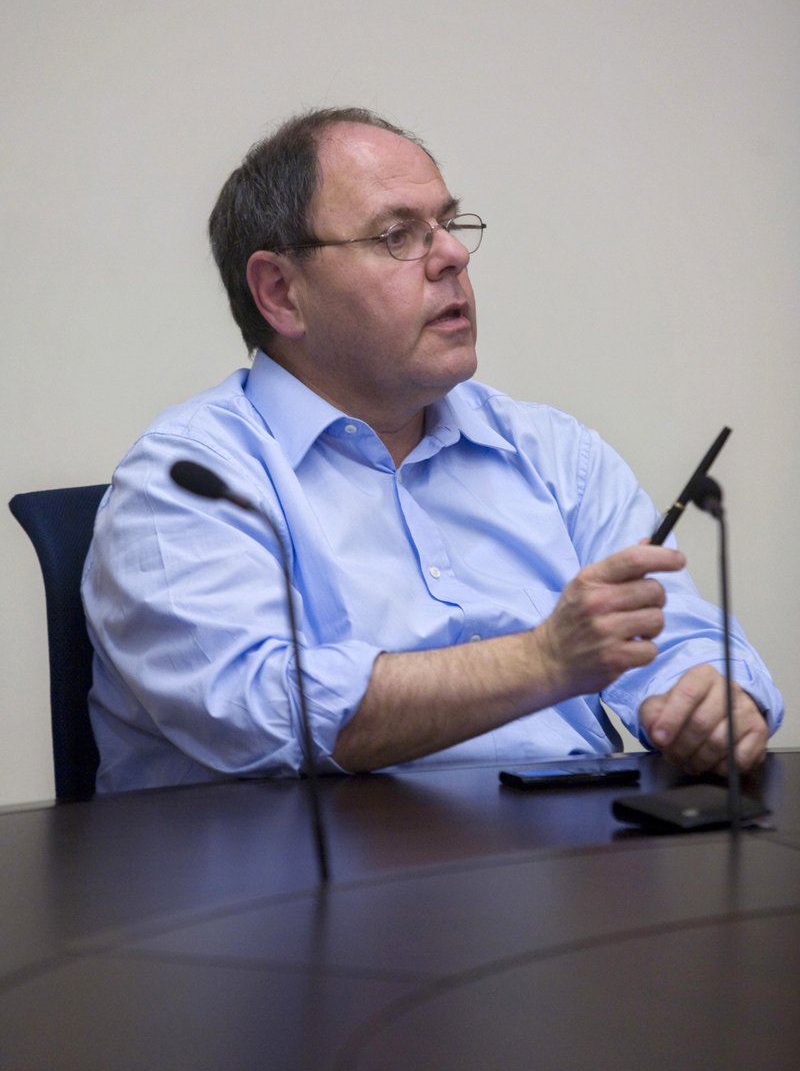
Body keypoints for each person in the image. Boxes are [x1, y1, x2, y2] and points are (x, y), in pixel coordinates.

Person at [82, 106, 782, 793]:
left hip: (571, 868)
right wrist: (543, 660)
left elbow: (674, 634)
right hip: (302, 886)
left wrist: (710, 697)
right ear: (281, 293)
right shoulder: (186, 481)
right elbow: (258, 710)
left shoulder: (554, 454)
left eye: (448, 223)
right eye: (397, 235)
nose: (451, 254)